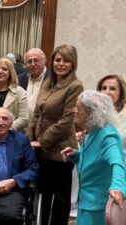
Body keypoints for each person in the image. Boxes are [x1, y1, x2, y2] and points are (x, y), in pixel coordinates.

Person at [27, 44, 84, 225]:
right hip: (41, 148)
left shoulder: (75, 86)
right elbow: (37, 113)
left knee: (60, 198)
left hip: (61, 150)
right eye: (57, 60)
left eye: (66, 60)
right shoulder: (48, 82)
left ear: (73, 63)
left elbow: (66, 120)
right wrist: (30, 139)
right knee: (44, 193)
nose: (60, 64)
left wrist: (42, 141)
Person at [61, 90, 126, 225]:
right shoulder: (91, 132)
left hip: (99, 208)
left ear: (92, 113)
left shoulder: (107, 135)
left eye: (78, 108)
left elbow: (117, 162)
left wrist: (118, 187)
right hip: (86, 204)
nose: (74, 110)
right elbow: (96, 158)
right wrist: (77, 155)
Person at [97, 74, 126, 162]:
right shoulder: (95, 113)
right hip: (99, 167)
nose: (107, 92)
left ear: (121, 92)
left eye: (112, 89)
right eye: (104, 88)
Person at [19, 48, 49, 115]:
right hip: (24, 123)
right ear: (25, 64)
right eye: (29, 61)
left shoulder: (54, 79)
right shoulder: (20, 79)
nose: (33, 64)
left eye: (36, 60)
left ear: (44, 61)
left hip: (44, 123)